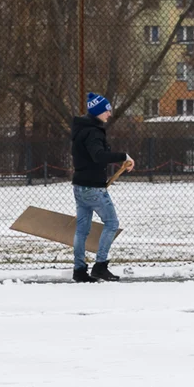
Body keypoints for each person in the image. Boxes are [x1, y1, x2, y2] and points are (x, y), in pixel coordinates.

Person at [70, 92, 134, 282]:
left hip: (80, 186)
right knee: (112, 223)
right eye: (107, 110)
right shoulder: (93, 132)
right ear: (98, 111)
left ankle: (79, 270)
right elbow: (98, 156)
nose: (110, 114)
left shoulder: (81, 129)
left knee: (82, 230)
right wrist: (124, 156)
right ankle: (100, 266)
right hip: (93, 188)